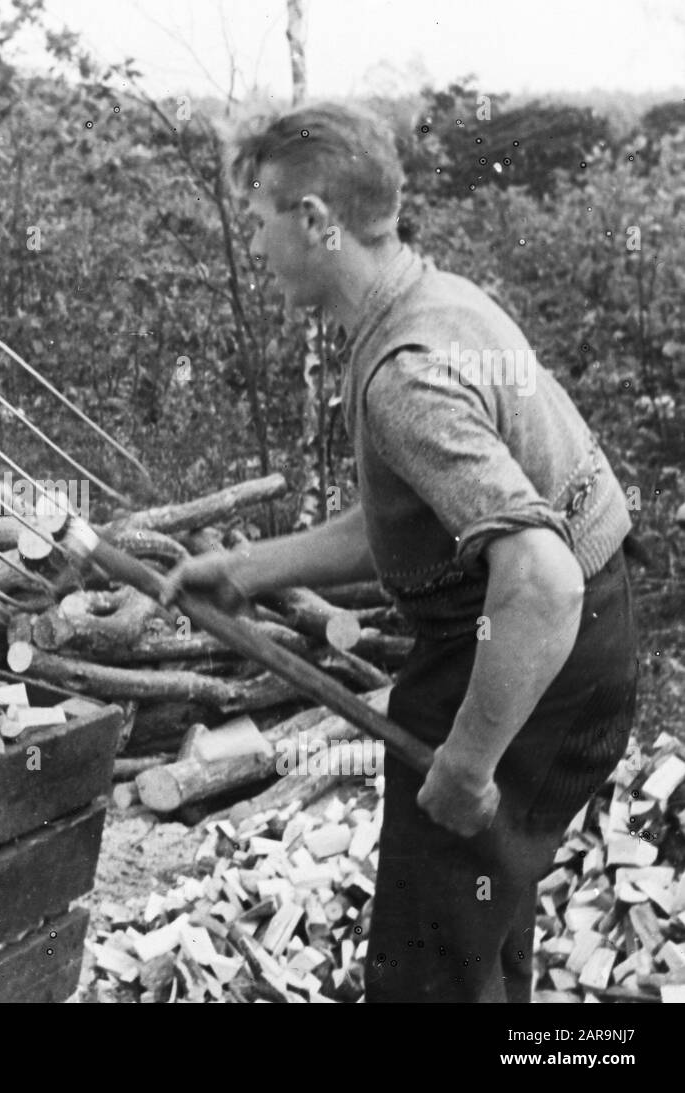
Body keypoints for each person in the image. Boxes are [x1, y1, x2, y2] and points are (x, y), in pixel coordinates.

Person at [159, 103, 638, 1003]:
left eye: (261, 217)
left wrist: (469, 757)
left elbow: (539, 579)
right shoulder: (438, 302)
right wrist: (252, 569)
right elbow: (422, 516)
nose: (255, 243)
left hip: (529, 655)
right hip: (567, 643)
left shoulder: (408, 374)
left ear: (315, 221)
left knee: (426, 974)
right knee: (475, 932)